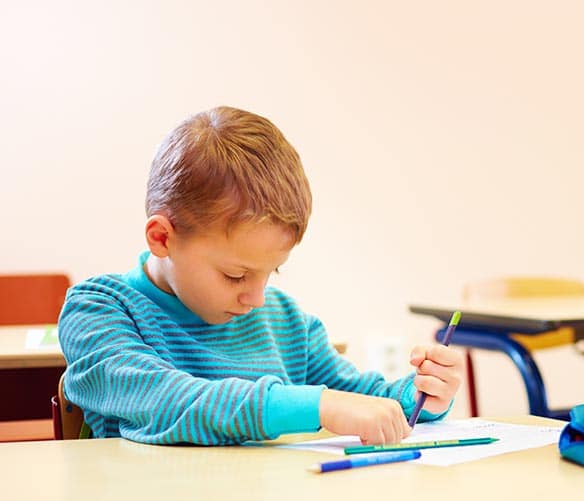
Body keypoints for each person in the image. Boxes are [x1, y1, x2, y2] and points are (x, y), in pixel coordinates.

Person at [58, 106, 463, 446]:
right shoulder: (96, 311)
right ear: (163, 237)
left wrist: (420, 396)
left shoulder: (285, 321)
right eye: (236, 276)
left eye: (272, 272)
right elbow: (165, 401)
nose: (255, 297)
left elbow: (363, 399)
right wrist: (319, 406)